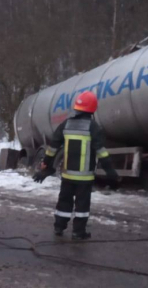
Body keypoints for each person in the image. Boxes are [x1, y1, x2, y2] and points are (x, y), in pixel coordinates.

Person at [33, 91, 119, 240]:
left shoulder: (66, 124)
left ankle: (59, 227)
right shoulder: (93, 127)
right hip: (84, 178)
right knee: (82, 205)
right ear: (93, 109)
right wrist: (110, 172)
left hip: (67, 175)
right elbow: (101, 152)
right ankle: (78, 232)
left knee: (64, 201)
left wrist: (45, 165)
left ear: (76, 107)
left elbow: (53, 147)